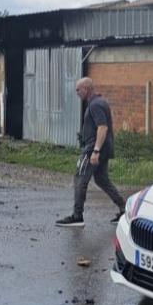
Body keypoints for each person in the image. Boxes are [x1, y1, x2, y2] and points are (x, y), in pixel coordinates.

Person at [56, 77, 126, 227]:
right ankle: (125, 209)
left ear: (86, 89)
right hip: (103, 149)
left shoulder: (95, 105)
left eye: (78, 90)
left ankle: (77, 216)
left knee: (80, 178)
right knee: (102, 180)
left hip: (93, 149)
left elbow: (103, 127)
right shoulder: (100, 102)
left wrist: (95, 151)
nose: (76, 93)